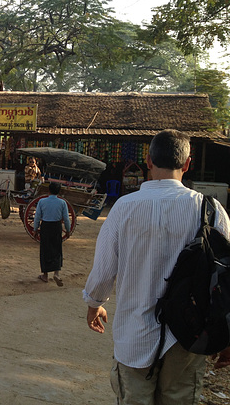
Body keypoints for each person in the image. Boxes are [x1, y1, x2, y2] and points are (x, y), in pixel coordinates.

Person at [84, 129, 230, 404]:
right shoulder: (211, 211)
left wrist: (94, 303)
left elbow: (104, 271)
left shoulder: (124, 208)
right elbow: (226, 278)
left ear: (148, 161)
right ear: (187, 164)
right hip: (189, 336)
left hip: (135, 334)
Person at [33, 181, 70, 286]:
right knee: (57, 248)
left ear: (48, 190)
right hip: (56, 226)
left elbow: (37, 217)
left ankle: (45, 275)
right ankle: (56, 273)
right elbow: (66, 219)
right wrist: (67, 231)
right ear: (59, 192)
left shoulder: (42, 201)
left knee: (45, 249)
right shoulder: (62, 203)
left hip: (45, 226)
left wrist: (35, 229)